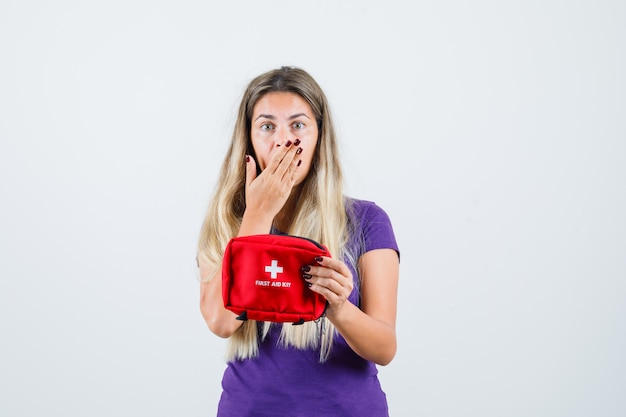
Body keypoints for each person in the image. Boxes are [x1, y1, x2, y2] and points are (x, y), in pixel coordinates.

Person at [197, 66, 400, 416]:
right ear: (248, 139)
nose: (282, 140)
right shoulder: (227, 222)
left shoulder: (367, 221)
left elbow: (385, 347)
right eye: (266, 126)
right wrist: (257, 215)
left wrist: (338, 308)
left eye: (298, 125)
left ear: (319, 137)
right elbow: (220, 321)